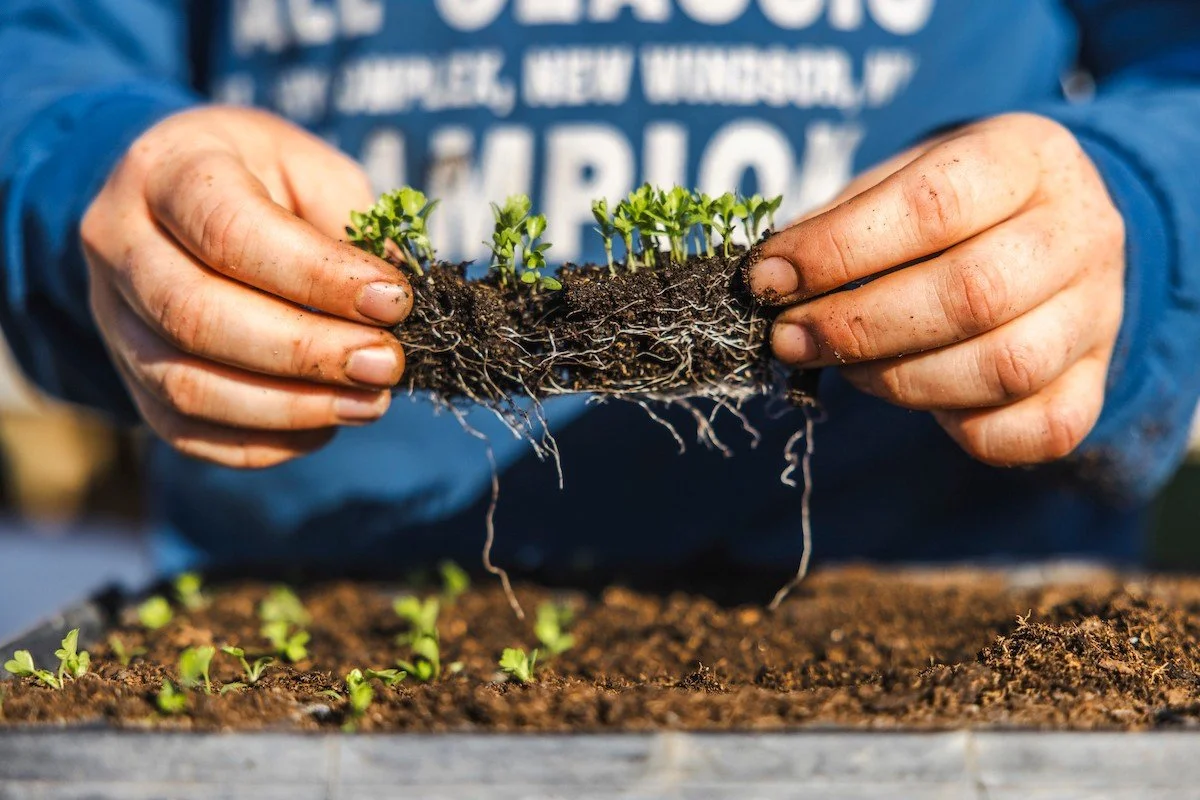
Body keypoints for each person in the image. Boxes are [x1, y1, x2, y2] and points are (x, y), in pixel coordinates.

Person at [1, 1, 1198, 574]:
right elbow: (40, 43)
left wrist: (1137, 211)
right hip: (307, 616)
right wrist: (85, 166)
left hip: (933, 602)